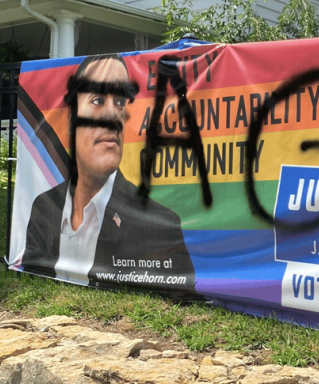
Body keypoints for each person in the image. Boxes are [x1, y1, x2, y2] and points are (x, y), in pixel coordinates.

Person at [22, 54, 197, 296]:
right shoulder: (43, 208)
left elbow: (180, 301)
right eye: (97, 101)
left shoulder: (159, 225)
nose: (113, 117)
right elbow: (32, 283)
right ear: (72, 119)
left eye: (119, 104)